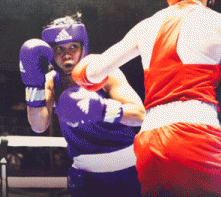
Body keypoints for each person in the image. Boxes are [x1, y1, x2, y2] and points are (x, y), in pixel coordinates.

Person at [71, 0, 221, 196]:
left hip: (150, 142)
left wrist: (84, 69)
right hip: (195, 133)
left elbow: (93, 73)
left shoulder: (146, 25)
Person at [19, 14, 145, 197]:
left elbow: (140, 115)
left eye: (73, 47)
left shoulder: (105, 72)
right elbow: (38, 125)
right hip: (84, 175)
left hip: (128, 169)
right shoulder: (51, 83)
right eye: (59, 48)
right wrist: (33, 85)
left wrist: (101, 110)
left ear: (83, 47)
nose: (66, 55)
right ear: (51, 53)